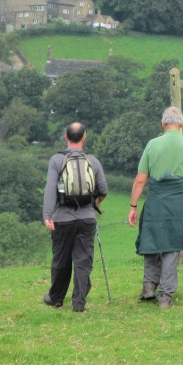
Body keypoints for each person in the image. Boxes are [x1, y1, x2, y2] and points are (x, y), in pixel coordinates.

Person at [128, 106, 183, 309]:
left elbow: (140, 179)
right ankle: (165, 296)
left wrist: (133, 206)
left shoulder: (152, 145)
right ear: (182, 123)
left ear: (163, 123)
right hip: (181, 204)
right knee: (173, 245)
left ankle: (149, 286)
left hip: (156, 201)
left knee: (151, 239)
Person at [42, 122, 108, 313]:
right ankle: (79, 303)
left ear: (66, 137)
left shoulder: (56, 160)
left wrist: (47, 215)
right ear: (84, 138)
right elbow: (103, 189)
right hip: (87, 218)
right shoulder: (93, 161)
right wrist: (95, 203)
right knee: (83, 261)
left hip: (62, 218)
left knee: (61, 260)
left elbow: (50, 190)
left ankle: (56, 298)